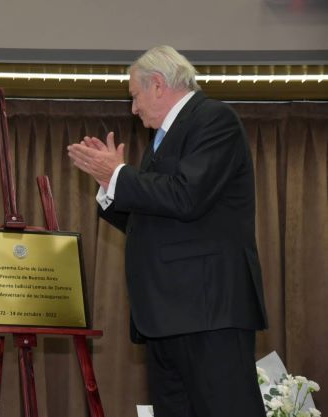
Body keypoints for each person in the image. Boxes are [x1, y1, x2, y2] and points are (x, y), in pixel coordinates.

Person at [67, 46, 268, 417]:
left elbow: (186, 196)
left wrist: (120, 175)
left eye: (135, 96)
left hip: (208, 310)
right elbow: (151, 219)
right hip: (167, 314)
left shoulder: (213, 119)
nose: (133, 108)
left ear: (158, 85)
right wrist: (110, 183)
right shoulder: (160, 143)